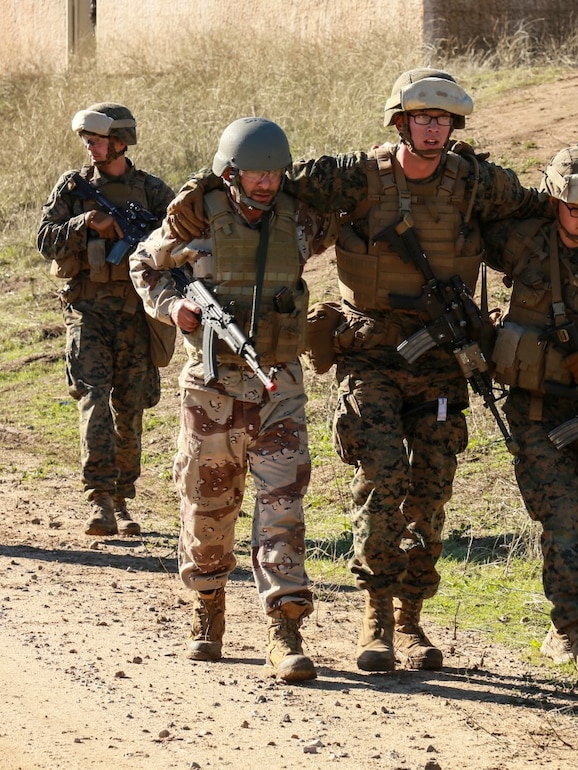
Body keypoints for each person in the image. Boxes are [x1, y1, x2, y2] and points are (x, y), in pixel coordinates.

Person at [166, 69, 553, 673]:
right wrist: (200, 221)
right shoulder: (353, 176)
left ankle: (410, 619)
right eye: (422, 117)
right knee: (378, 480)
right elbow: (266, 183)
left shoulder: (476, 182)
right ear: (400, 121)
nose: (432, 128)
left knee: (432, 488)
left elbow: (540, 213)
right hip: (368, 353)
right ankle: (372, 619)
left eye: (443, 120)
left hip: (442, 360)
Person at [131, 117, 337, 683]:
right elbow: (144, 264)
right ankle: (208, 611)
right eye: (255, 173)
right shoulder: (194, 218)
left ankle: (284, 627)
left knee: (283, 509)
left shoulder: (301, 219)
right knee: (208, 508)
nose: (266, 183)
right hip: (211, 392)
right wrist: (174, 309)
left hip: (278, 388)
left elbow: (355, 209)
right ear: (229, 173)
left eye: (274, 173)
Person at [482, 143, 578, 686]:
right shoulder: (523, 239)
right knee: (563, 513)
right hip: (535, 406)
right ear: (554, 199)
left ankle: (563, 628)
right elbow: (462, 222)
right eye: (577, 208)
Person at [37, 102, 175, 538]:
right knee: (93, 396)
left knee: (130, 408)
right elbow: (45, 240)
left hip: (136, 315)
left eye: (96, 140)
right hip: (88, 311)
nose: (89, 147)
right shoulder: (74, 188)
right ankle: (99, 498)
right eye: (87, 140)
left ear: (120, 141)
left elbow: (183, 241)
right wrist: (85, 222)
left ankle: (122, 498)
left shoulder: (153, 192)